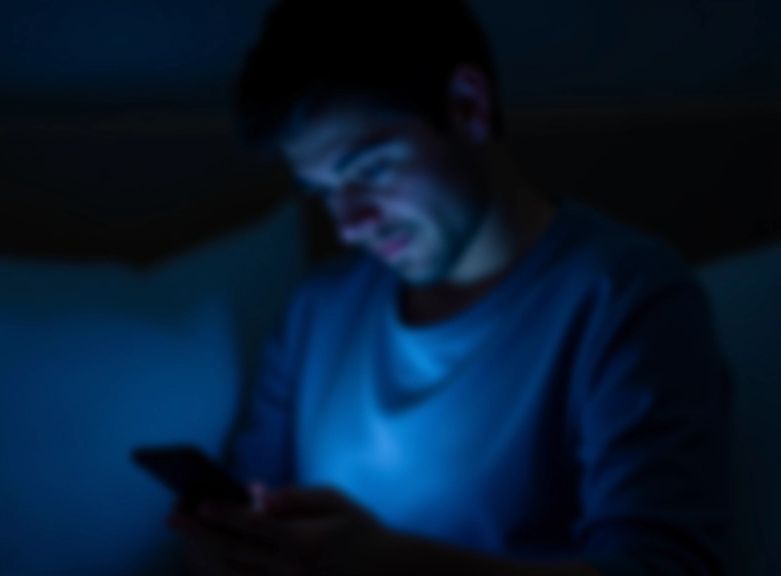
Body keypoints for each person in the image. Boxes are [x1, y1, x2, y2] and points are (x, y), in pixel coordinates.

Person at [168, 0, 731, 574]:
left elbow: (665, 567)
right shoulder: (321, 309)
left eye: (371, 170)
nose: (348, 223)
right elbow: (248, 505)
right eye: (324, 191)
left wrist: (387, 564)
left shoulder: (624, 296)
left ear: (468, 106)